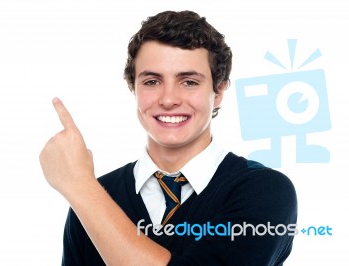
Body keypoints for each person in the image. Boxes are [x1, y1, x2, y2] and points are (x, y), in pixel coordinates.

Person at [39, 10, 297, 265]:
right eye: (152, 81)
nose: (169, 99)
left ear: (218, 92)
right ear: (134, 88)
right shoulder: (92, 200)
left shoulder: (264, 191)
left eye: (189, 82)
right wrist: (84, 193)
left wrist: (81, 187)